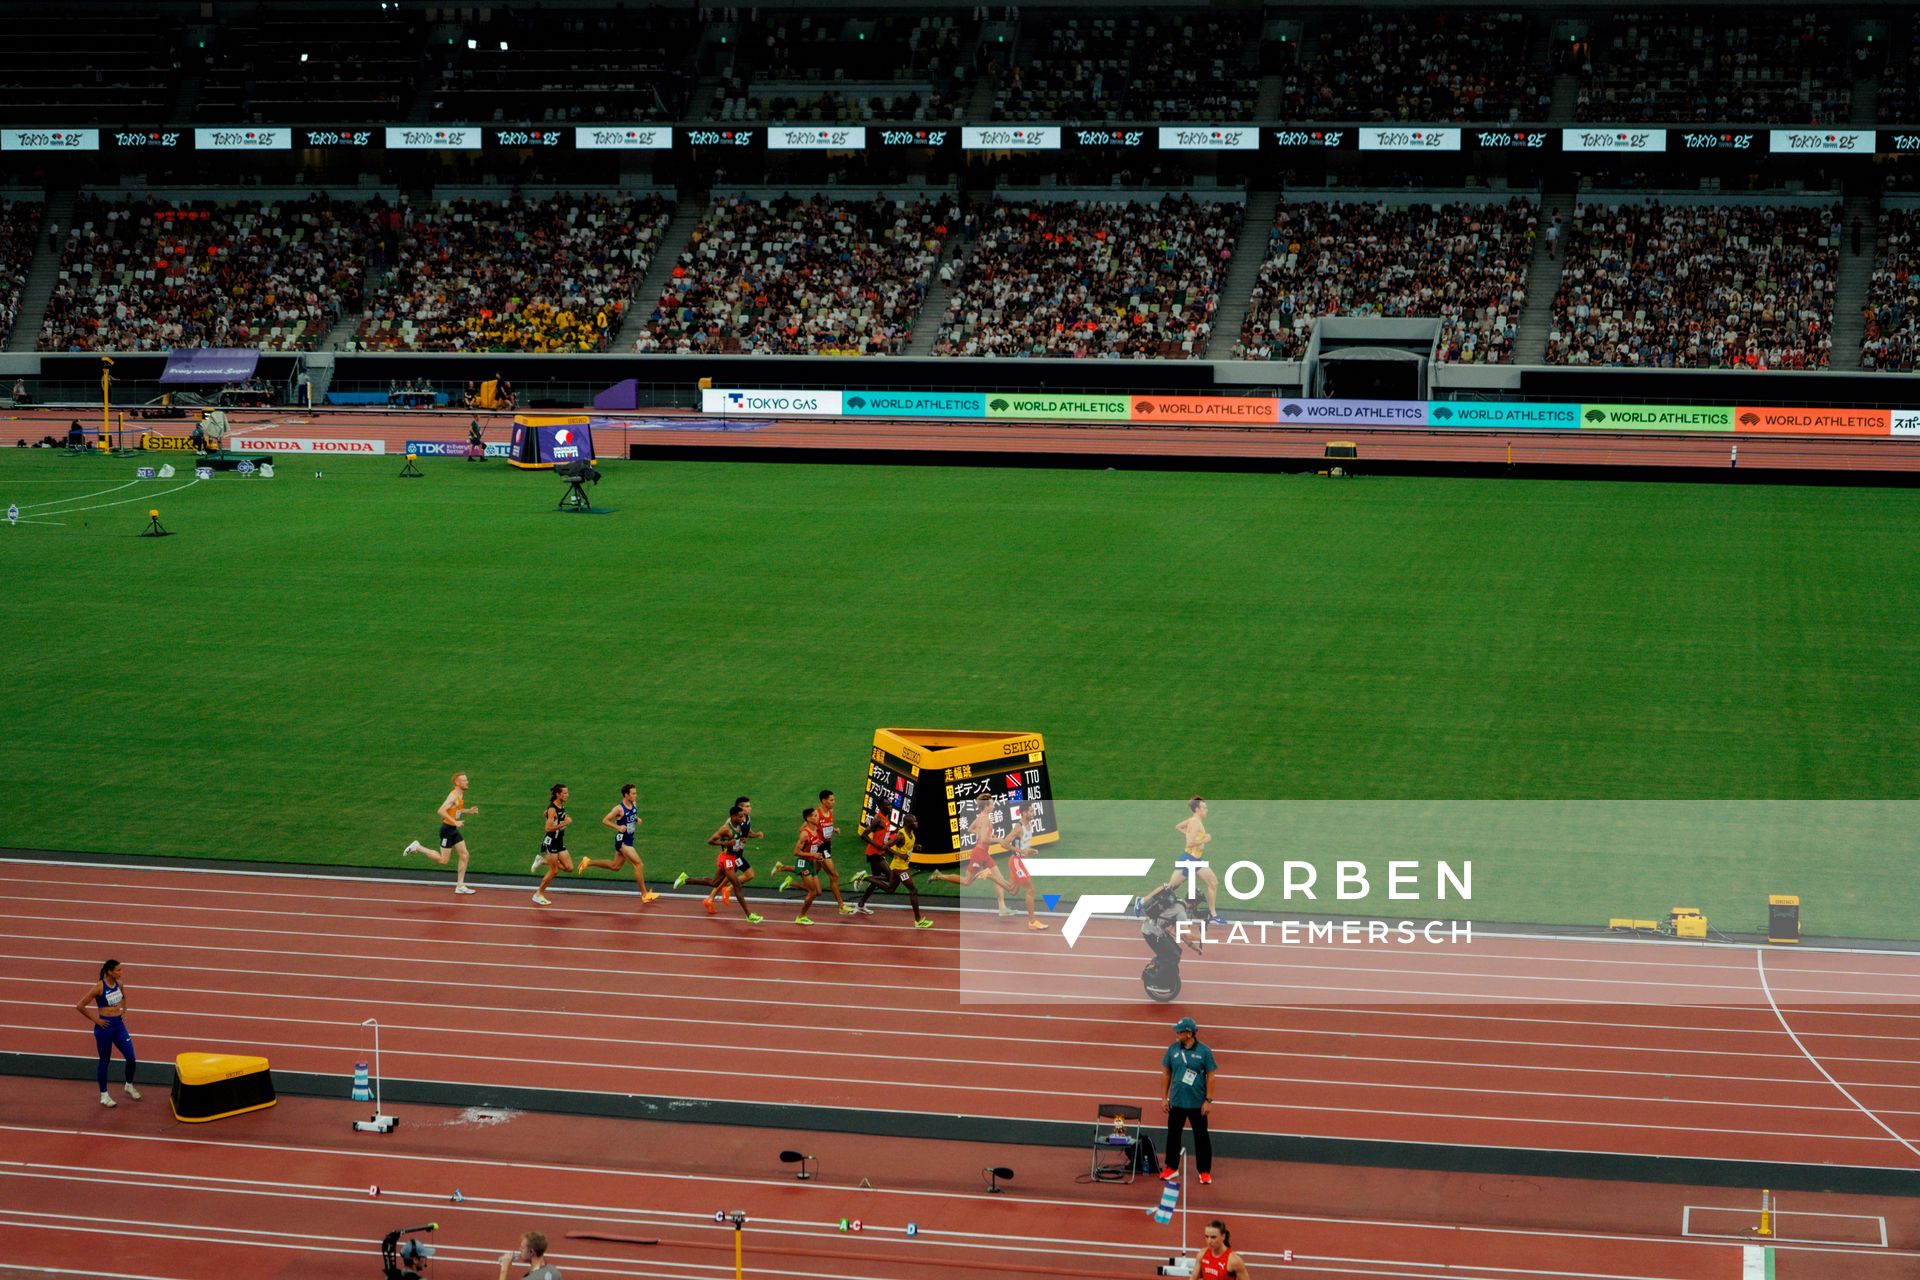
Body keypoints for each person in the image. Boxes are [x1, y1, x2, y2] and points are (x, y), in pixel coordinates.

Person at [674, 804, 764, 923]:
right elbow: (710, 841)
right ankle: (749, 915)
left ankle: (685, 879)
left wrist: (742, 839)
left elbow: (740, 836)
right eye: (740, 817)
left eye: (743, 817)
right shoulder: (725, 828)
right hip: (726, 858)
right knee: (737, 885)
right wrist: (726, 844)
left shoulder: (740, 825)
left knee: (714, 883)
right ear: (733, 816)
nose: (743, 819)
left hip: (732, 858)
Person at [930, 798, 1014, 915]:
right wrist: (998, 839)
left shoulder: (980, 817)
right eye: (992, 804)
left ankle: (1002, 908)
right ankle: (939, 876)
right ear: (986, 807)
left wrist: (983, 834)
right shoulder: (984, 819)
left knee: (999, 878)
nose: (994, 806)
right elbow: (984, 839)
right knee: (966, 882)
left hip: (984, 853)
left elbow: (970, 829)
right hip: (979, 854)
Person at [75, 958, 140, 1107]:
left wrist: (125, 1010)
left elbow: (124, 997)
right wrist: (96, 1021)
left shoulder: (120, 984)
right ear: (109, 972)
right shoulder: (99, 987)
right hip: (104, 1027)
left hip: (119, 1026)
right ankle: (104, 1095)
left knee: (131, 1058)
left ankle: (128, 1085)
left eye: (121, 969)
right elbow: (80, 1005)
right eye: (118, 970)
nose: (121, 972)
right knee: (105, 1061)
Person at [578, 784, 659, 901]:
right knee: (638, 864)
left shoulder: (633, 804)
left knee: (615, 866)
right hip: (623, 842)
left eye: (635, 793)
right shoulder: (619, 808)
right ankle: (644, 894)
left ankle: (588, 862)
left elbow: (632, 815)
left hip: (630, 839)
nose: (636, 795)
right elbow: (605, 820)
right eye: (633, 793)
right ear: (626, 795)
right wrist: (617, 827)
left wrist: (636, 819)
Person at [1161, 1016, 1218, 1185]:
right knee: (1173, 1135)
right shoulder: (1172, 1050)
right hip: (1177, 1101)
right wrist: (1164, 1098)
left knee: (1201, 1137)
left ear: (1189, 1033)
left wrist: (1208, 1100)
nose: (1176, 1033)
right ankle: (1172, 1167)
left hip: (1196, 1103)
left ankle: (1205, 1171)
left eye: (1179, 1031)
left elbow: (1212, 1076)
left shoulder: (1204, 1051)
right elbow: (1166, 1073)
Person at [404, 772, 480, 894]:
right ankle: (417, 847)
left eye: (467, 780)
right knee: (443, 860)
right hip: (447, 830)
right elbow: (441, 810)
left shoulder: (460, 795)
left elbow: (454, 810)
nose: (467, 782)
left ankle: (460, 886)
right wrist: (455, 822)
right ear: (457, 783)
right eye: (464, 780)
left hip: (453, 830)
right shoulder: (453, 796)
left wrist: (468, 811)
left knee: (464, 855)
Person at [855, 813, 932, 927]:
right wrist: (900, 855)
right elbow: (886, 846)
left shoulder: (910, 833)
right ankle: (918, 920)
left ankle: (865, 877)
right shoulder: (900, 835)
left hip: (902, 866)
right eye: (914, 822)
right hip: (899, 868)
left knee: (890, 889)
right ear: (908, 824)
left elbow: (906, 846)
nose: (916, 823)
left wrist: (915, 846)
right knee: (913, 890)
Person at [1164, 797, 1223, 924]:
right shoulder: (1195, 822)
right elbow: (1190, 843)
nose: (1207, 810)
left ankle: (1213, 914)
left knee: (1213, 883)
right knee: (1169, 888)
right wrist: (1205, 839)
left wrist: (1190, 835)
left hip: (1196, 860)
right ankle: (1143, 902)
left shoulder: (1193, 820)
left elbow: (1178, 827)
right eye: (1204, 808)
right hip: (1189, 860)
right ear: (1197, 809)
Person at [531, 784, 575, 904]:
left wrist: (563, 818)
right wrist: (564, 823)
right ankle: (538, 894)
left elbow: (548, 814)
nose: (567, 795)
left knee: (569, 868)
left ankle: (542, 861)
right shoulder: (552, 809)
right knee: (554, 870)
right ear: (558, 794)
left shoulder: (560, 806)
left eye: (567, 792)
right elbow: (548, 828)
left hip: (559, 841)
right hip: (551, 842)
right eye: (565, 793)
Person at [1005, 809, 1048, 930]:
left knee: (1013, 891)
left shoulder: (1029, 825)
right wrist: (1021, 851)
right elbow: (1004, 843)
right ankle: (1032, 922)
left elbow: (1022, 845)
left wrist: (1030, 850)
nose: (1033, 813)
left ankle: (990, 875)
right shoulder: (1018, 828)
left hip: (1019, 861)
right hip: (1017, 862)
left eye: (1033, 811)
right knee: (1030, 889)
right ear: (1023, 813)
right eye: (1030, 811)